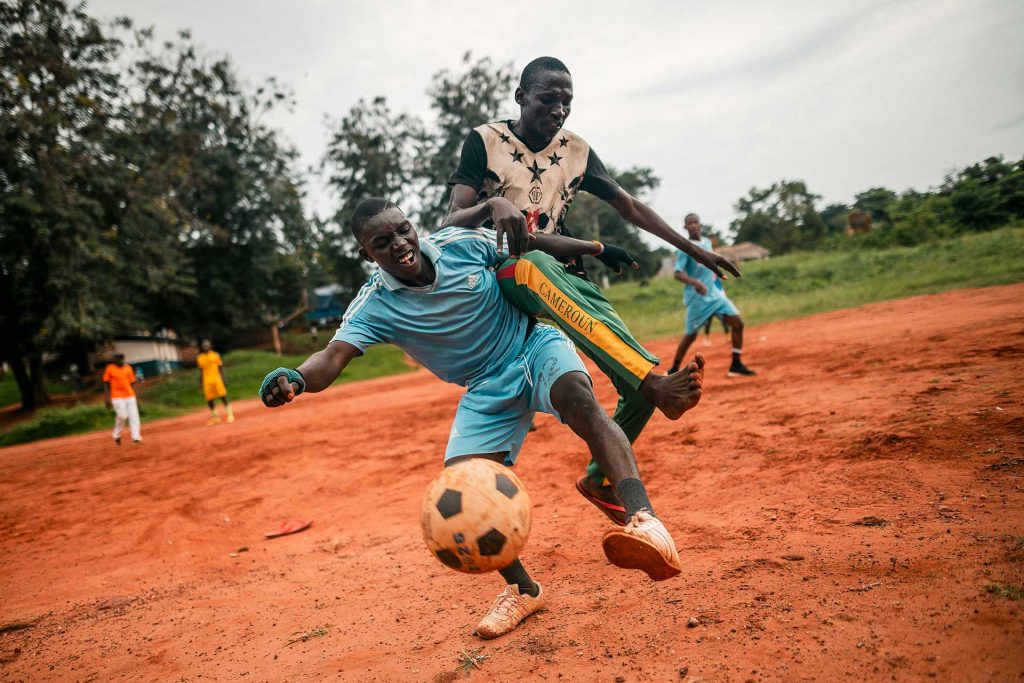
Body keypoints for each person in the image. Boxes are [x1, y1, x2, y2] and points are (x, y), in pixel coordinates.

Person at [260, 198, 706, 639]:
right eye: (382, 241)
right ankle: (523, 590)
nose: (399, 243)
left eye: (402, 229)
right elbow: (333, 356)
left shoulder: (459, 243)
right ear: (367, 254)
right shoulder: (374, 304)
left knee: (582, 405)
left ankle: (646, 522)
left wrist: (594, 249)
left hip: (533, 344)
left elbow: (528, 244)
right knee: (461, 487)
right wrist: (295, 377)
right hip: (484, 387)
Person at [441, 56, 738, 523]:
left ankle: (601, 475)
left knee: (632, 380)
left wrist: (697, 252)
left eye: (566, 101)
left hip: (559, 275)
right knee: (532, 263)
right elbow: (449, 222)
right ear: (521, 97)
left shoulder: (576, 150)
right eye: (547, 98)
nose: (558, 109)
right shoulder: (485, 141)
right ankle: (653, 381)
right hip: (501, 275)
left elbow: (631, 207)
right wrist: (493, 204)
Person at [669, 213, 756, 377]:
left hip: (715, 295)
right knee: (690, 336)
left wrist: (718, 285)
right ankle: (673, 370)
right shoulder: (684, 248)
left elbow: (711, 266)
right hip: (697, 299)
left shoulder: (707, 243)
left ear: (700, 225)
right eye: (690, 223)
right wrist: (695, 283)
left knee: (737, 324)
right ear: (685, 227)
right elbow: (677, 274)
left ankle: (736, 365)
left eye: (696, 222)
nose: (694, 225)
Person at [102, 353, 141, 445]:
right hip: (117, 397)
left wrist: (137, 397)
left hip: (130, 396)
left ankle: (136, 438)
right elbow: (105, 383)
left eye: (122, 359)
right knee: (122, 416)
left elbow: (132, 383)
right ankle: (117, 435)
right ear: (114, 360)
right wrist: (107, 398)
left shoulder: (128, 368)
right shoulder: (109, 368)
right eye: (118, 359)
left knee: (134, 416)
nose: (121, 361)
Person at [197, 340, 234, 425]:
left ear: (210, 346)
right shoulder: (200, 358)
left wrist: (224, 379)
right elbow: (200, 372)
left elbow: (221, 368)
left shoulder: (216, 355)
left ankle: (230, 415)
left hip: (217, 380)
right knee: (209, 400)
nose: (205, 347)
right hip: (207, 382)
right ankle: (215, 418)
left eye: (207, 345)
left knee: (223, 396)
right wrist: (200, 383)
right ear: (202, 347)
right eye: (204, 346)